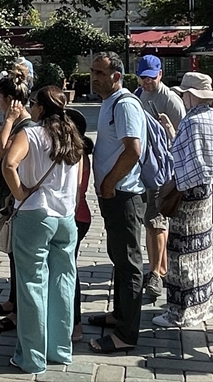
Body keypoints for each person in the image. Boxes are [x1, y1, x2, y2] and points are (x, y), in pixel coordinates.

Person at [2, 85, 83, 373]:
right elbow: (81, 174)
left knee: (32, 284)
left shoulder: (32, 133)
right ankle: (60, 349)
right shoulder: (72, 136)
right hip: (66, 215)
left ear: (39, 107)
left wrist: (21, 193)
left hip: (36, 213)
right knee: (63, 280)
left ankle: (31, 358)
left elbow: (8, 163)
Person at [151, 72, 213, 330]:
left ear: (192, 95)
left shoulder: (192, 121)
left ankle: (180, 311)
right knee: (201, 250)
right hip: (205, 190)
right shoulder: (209, 119)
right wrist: (172, 131)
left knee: (182, 254)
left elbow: (181, 159)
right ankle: (202, 304)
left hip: (187, 193)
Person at [85, 51, 144, 355]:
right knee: (119, 259)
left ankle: (126, 334)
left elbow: (133, 150)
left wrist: (109, 182)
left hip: (124, 195)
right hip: (114, 194)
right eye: (92, 72)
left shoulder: (124, 104)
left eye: (99, 72)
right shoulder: (110, 103)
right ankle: (119, 315)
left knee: (129, 263)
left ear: (116, 76)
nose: (93, 77)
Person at [0, 65, 35, 334]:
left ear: (9, 101)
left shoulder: (23, 125)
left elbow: (1, 150)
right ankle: (13, 301)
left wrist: (9, 120)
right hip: (11, 199)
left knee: (19, 256)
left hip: (19, 201)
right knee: (13, 255)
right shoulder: (20, 123)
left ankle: (17, 311)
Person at [134, 54, 185, 302]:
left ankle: (155, 272)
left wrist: (169, 131)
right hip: (145, 167)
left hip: (163, 169)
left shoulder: (170, 100)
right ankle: (160, 269)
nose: (146, 82)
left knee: (155, 219)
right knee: (151, 219)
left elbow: (182, 139)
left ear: (160, 74)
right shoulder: (139, 95)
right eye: (142, 77)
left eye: (150, 78)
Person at [65, 108, 93, 342]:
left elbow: (74, 193)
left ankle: (75, 325)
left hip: (75, 218)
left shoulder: (76, 154)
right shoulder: (76, 151)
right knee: (66, 270)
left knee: (67, 271)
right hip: (78, 217)